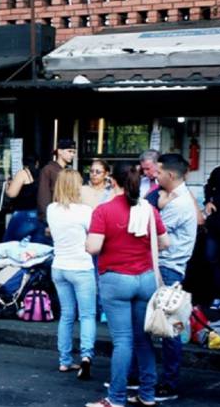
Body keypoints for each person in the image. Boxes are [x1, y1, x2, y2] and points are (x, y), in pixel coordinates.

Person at [85, 163, 169, 407]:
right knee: (144, 340)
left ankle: (117, 398)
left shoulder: (104, 211)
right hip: (146, 279)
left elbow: (93, 247)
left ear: (113, 182)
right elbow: (165, 242)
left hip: (116, 280)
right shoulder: (149, 209)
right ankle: (148, 394)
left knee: (123, 340)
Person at [149, 154, 197, 402]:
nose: (155, 176)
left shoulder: (178, 204)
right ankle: (150, 378)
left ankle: (168, 384)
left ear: (170, 174)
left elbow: (156, 239)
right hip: (170, 267)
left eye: (158, 172)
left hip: (168, 268)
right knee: (158, 326)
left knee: (168, 328)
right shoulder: (176, 198)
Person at [47, 169, 96, 379]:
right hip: (81, 267)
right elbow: (94, 237)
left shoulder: (51, 209)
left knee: (66, 315)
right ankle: (86, 357)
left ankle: (64, 361)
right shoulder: (85, 211)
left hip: (59, 266)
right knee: (87, 315)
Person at [38, 138, 76, 242]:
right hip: (52, 219)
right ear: (59, 151)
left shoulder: (68, 171)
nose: (72, 154)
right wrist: (47, 221)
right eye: (69, 151)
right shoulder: (48, 170)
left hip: (66, 218)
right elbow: (43, 197)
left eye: (73, 152)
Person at [204, 157, 220, 310]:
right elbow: (208, 187)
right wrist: (208, 201)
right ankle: (219, 295)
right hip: (217, 224)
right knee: (212, 257)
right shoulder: (219, 171)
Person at [4, 155, 45, 243]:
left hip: (22, 214)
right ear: (37, 163)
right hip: (36, 213)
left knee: (11, 244)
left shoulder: (23, 173)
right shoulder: (41, 174)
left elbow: (12, 194)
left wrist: (7, 187)